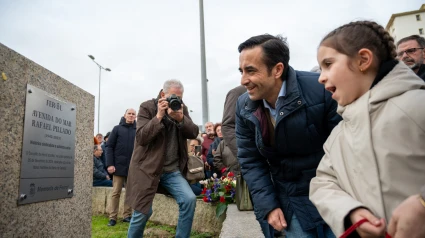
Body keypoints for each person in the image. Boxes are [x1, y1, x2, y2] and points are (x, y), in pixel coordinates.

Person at [309, 21, 425, 237]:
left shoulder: (418, 105)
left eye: (328, 64)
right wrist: (352, 212)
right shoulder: (337, 135)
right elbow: (323, 182)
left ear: (363, 60)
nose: (320, 77)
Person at [235, 34, 340, 237]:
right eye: (241, 71)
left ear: (277, 69)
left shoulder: (321, 90)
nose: (243, 80)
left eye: (250, 71)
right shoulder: (243, 106)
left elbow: (345, 150)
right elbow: (250, 160)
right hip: (288, 199)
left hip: (333, 193)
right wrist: (268, 206)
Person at [125, 79, 199, 238]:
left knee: (189, 200)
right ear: (162, 94)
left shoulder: (181, 108)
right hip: (147, 169)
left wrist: (181, 119)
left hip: (171, 171)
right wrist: (159, 116)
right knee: (143, 211)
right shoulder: (147, 107)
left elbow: (193, 133)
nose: (176, 100)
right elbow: (141, 137)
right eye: (173, 97)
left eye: (180, 97)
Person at [106, 109, 137, 226]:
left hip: (132, 168)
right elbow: (109, 147)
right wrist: (110, 164)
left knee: (130, 193)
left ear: (136, 116)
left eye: (133, 114)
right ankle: (112, 217)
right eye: (129, 113)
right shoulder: (117, 129)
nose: (131, 115)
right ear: (124, 115)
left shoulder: (138, 130)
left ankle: (127, 215)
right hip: (118, 167)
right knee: (116, 192)